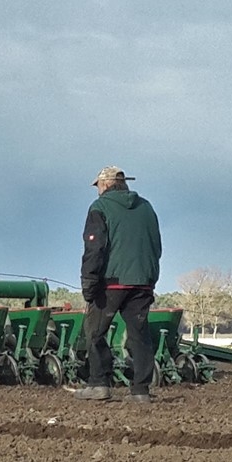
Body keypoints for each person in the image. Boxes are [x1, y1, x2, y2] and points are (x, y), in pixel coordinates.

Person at [74, 166, 162, 404]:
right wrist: (150, 277)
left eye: (98, 187)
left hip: (111, 283)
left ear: (104, 185)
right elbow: (156, 245)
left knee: (94, 332)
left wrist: (89, 282)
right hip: (143, 282)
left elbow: (95, 248)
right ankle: (140, 390)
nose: (98, 191)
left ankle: (99, 383)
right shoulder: (147, 207)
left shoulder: (99, 208)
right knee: (139, 335)